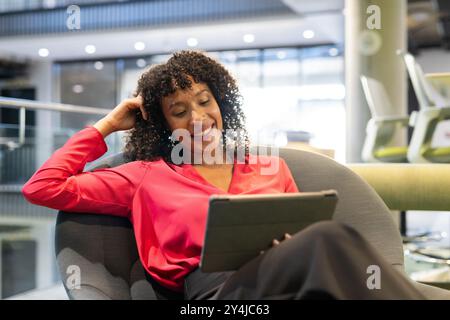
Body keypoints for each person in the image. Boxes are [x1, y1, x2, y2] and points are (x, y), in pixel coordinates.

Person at [22, 50, 425, 300]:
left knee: (331, 256)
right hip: (219, 296)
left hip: (293, 281)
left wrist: (292, 245)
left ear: (221, 103)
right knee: (330, 237)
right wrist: (108, 125)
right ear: (163, 125)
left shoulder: (269, 167)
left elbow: (302, 236)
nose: (198, 118)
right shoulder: (143, 176)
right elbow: (43, 187)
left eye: (204, 101)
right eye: (179, 112)